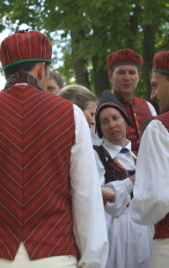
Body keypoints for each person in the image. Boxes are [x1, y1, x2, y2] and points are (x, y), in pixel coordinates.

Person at [0, 30, 108, 268]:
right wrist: (92, 261)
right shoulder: (70, 114)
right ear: (42, 68)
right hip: (56, 255)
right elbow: (86, 194)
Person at [93, 91, 153, 268]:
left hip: (145, 227)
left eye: (115, 118)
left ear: (125, 120)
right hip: (119, 233)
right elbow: (98, 195)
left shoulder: (136, 154)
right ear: (100, 129)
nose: (112, 125)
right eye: (105, 122)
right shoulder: (98, 155)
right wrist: (131, 182)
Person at [130, 50, 169, 268]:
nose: (152, 95)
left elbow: (156, 199)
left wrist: (137, 212)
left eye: (155, 85)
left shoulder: (159, 127)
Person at [107, 48, 156, 152]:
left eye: (132, 72)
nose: (127, 78)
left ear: (139, 76)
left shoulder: (148, 106)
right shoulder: (100, 108)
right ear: (110, 76)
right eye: (121, 72)